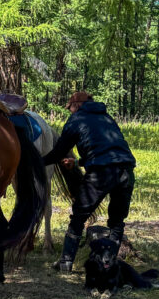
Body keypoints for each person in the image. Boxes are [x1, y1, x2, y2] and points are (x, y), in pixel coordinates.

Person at [41, 91, 136, 272]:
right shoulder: (107, 118)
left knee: (78, 217)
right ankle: (110, 263)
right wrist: (77, 162)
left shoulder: (76, 120)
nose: (70, 112)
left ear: (76, 104)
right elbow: (108, 150)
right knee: (116, 221)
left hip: (100, 175)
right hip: (126, 173)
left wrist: (38, 162)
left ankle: (66, 262)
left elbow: (59, 151)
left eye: (69, 108)